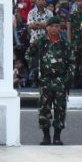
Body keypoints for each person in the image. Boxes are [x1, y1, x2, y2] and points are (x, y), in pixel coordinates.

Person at [30, 16, 72, 145]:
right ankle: (46, 136)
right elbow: (29, 54)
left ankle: (57, 137)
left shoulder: (64, 43)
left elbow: (72, 61)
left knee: (60, 110)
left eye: (57, 26)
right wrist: (35, 69)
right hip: (45, 80)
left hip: (60, 81)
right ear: (47, 28)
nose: (54, 28)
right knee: (44, 109)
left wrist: (68, 78)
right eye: (52, 26)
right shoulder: (40, 42)